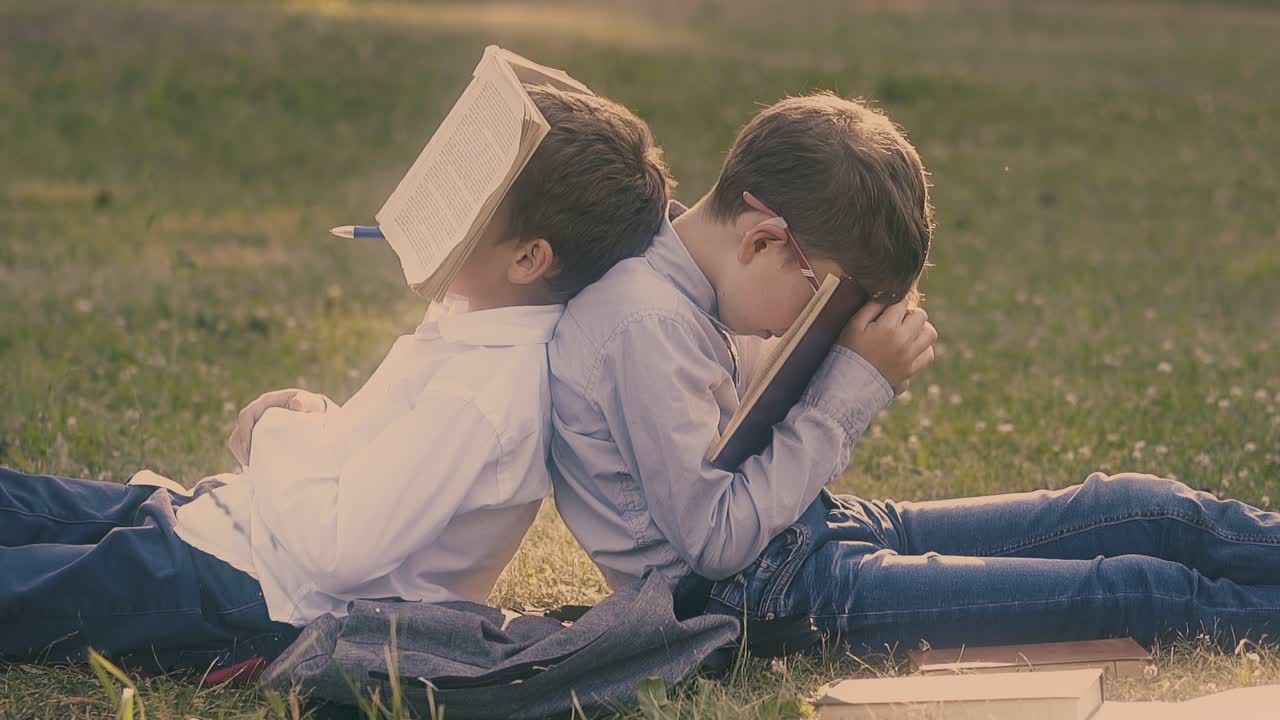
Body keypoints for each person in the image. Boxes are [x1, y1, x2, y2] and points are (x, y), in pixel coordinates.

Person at [546, 92, 1280, 657]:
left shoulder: (698, 293)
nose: (817, 322)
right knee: (1134, 593)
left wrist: (834, 359)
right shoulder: (645, 326)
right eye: (826, 300)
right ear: (765, 240)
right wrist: (848, 389)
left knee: (1147, 510)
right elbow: (716, 540)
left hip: (813, 534)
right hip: (762, 596)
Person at [0, 84, 675, 672]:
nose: (440, 198)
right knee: (23, 501)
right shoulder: (473, 326)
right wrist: (316, 419)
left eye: (472, 196)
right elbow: (376, 470)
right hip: (224, 528)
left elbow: (340, 554)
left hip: (249, 591)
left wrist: (275, 432)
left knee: (25, 586)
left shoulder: (486, 396)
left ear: (528, 258)